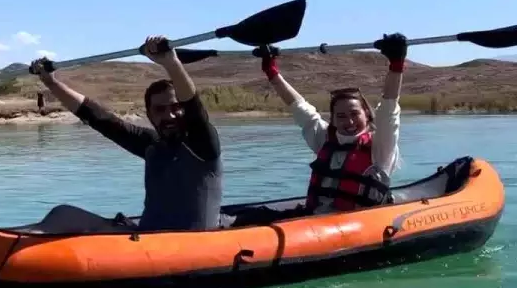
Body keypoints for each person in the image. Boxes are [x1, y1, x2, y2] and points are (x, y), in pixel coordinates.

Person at [26, 35, 224, 234]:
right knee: (63, 214)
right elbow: (98, 118)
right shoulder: (151, 145)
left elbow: (193, 107)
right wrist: (50, 82)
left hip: (191, 245)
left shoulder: (203, 144)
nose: (169, 115)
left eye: (175, 107)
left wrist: (171, 63)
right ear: (149, 115)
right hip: (144, 240)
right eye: (160, 109)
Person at [232, 33, 408, 226]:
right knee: (249, 218)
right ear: (332, 119)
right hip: (314, 220)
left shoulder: (380, 148)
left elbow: (389, 111)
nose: (349, 121)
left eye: (354, 114)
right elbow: (299, 107)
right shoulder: (325, 138)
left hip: (356, 226)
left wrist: (396, 65)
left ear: (367, 114)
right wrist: (271, 71)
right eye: (341, 116)